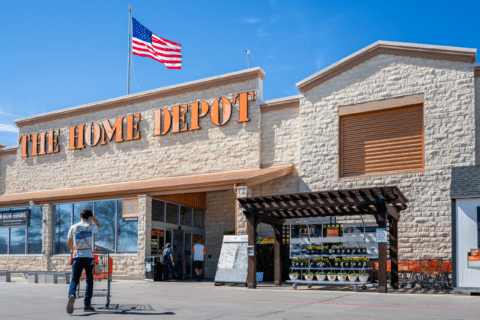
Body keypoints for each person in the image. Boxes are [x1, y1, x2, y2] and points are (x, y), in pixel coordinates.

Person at [66, 209, 101, 314]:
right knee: (89, 280)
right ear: (89, 217)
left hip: (77, 255)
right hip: (89, 257)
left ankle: (72, 295)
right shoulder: (91, 227)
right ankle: (87, 304)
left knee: (75, 279)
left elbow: (68, 242)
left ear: (80, 216)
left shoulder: (73, 227)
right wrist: (92, 217)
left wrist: (75, 250)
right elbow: (98, 225)